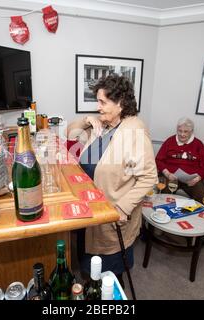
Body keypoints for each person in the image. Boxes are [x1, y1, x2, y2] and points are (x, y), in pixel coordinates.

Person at [67, 74, 157, 287]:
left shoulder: (133, 131)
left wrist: (123, 209)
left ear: (121, 104)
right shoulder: (105, 124)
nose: (98, 107)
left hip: (111, 215)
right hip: (89, 210)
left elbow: (149, 177)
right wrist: (87, 120)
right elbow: (72, 131)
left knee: (110, 276)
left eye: (102, 102)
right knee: (90, 268)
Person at [155, 117, 204, 203]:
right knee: (164, 193)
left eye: (185, 131)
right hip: (171, 177)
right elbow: (158, 160)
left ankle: (196, 216)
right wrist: (167, 173)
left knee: (203, 196)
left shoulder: (198, 144)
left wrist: (197, 178)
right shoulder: (169, 141)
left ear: (191, 132)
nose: (182, 134)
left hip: (191, 180)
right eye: (180, 131)